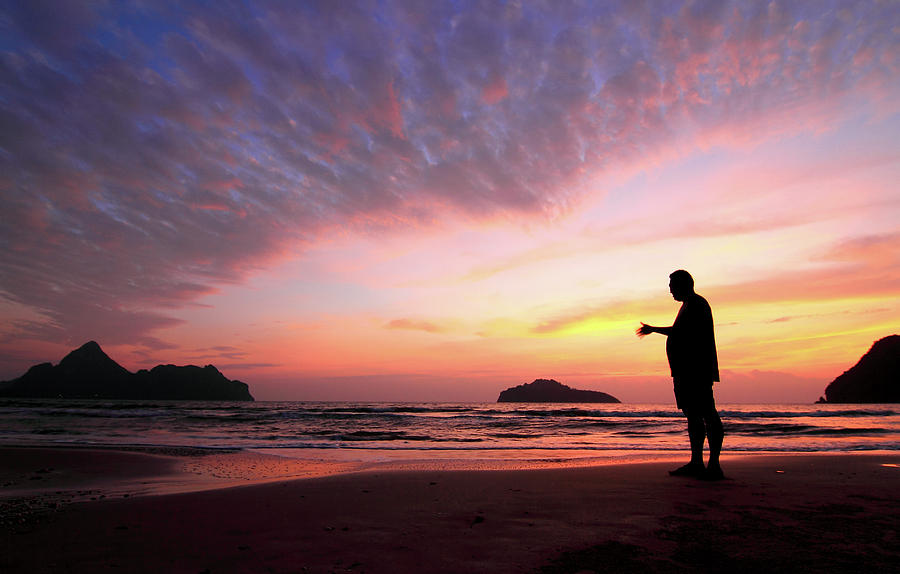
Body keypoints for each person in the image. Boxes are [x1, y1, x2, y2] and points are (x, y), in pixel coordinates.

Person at [637, 270, 724, 480]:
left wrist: (653, 329)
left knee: (707, 414)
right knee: (694, 416)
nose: (670, 290)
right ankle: (697, 463)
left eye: (672, 286)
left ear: (684, 284)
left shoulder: (696, 304)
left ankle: (713, 465)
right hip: (685, 371)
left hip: (696, 371)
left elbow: (682, 332)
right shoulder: (687, 306)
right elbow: (680, 331)